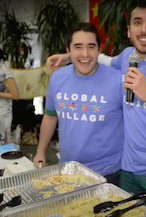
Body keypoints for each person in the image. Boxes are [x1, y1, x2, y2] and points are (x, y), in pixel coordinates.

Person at [45, 0, 146, 214]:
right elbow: (101, 59)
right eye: (138, 22)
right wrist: (70, 56)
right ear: (129, 31)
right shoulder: (128, 57)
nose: (145, 29)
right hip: (127, 171)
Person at [33, 23, 124, 185]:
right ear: (68, 50)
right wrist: (40, 151)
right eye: (78, 47)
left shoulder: (118, 80)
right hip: (68, 170)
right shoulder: (57, 78)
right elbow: (50, 116)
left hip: (108, 173)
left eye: (91, 46)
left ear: (99, 49)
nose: (85, 54)